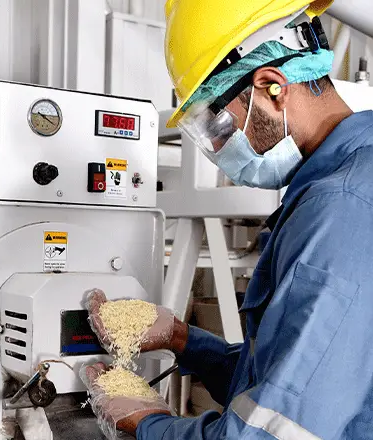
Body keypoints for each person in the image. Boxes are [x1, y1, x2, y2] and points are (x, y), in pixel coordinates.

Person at [82, 0, 373, 438]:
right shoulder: (349, 181)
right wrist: (183, 340)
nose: (218, 149)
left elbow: (272, 432)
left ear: (272, 87)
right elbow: (301, 380)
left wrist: (146, 422)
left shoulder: (341, 209)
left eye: (216, 125)